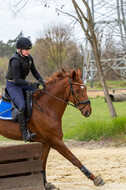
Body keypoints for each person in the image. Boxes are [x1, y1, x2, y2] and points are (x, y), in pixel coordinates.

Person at [6, 37, 45, 142]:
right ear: (19, 50)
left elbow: (35, 72)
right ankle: (25, 134)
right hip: (13, 85)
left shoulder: (29, 58)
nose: (28, 51)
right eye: (26, 49)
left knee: (39, 94)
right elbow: (17, 80)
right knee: (22, 106)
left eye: (29, 49)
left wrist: (42, 82)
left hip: (21, 83)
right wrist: (31, 83)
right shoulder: (15, 60)